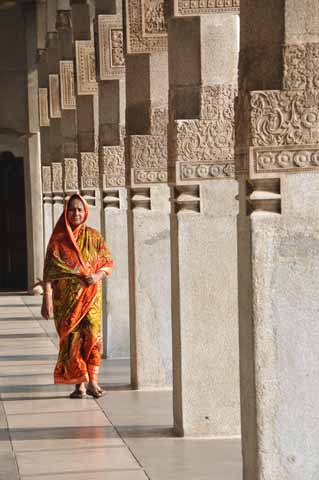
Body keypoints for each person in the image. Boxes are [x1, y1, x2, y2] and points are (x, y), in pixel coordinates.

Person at [41, 193, 113, 398]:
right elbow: (49, 272)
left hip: (91, 298)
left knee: (92, 336)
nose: (76, 213)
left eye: (79, 209)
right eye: (72, 209)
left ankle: (93, 382)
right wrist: (46, 299)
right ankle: (79, 384)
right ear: (66, 212)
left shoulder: (94, 236)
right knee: (72, 340)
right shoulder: (58, 241)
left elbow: (108, 262)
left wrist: (97, 275)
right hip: (66, 301)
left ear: (85, 212)